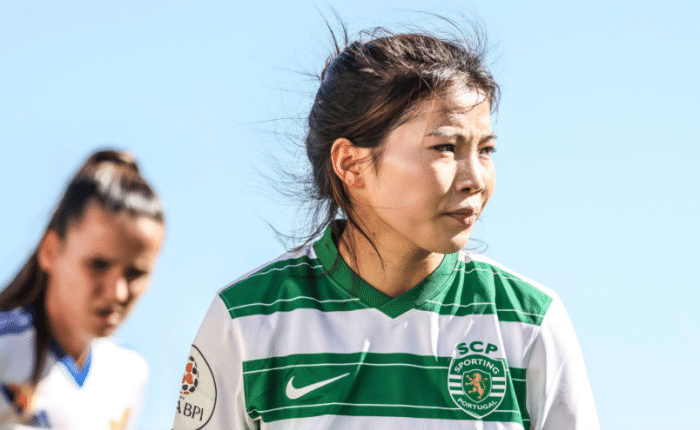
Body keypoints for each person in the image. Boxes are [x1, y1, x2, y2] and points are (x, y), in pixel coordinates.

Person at [172, 24, 599, 430]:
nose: (475, 179)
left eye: (485, 150)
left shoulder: (530, 321)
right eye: (445, 147)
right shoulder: (248, 318)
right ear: (350, 164)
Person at [0, 150, 166, 429]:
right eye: (98, 265)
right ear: (51, 251)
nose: (117, 293)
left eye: (135, 273)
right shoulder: (5, 347)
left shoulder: (130, 374)